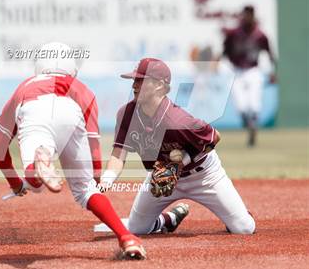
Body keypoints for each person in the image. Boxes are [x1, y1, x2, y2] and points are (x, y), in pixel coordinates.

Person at [0, 42, 146, 260]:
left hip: (35, 109)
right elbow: (93, 144)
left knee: (35, 183)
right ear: (71, 67)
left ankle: (38, 161)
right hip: (71, 112)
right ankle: (127, 238)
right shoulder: (82, 88)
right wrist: (96, 178)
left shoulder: (24, 87)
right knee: (85, 190)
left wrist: (15, 184)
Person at [98, 57, 256, 236]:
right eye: (134, 80)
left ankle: (238, 215)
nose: (134, 85)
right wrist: (107, 179)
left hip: (203, 176)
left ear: (159, 85)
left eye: (140, 80)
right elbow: (119, 153)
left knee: (244, 228)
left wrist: (180, 163)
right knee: (137, 229)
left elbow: (215, 137)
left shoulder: (178, 120)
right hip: (161, 176)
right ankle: (169, 219)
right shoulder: (127, 114)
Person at [222, 5, 277, 146]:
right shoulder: (234, 33)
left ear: (253, 17)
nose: (245, 18)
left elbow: (269, 53)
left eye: (248, 15)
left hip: (253, 70)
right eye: (244, 15)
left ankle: (253, 126)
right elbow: (225, 50)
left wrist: (271, 71)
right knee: (241, 105)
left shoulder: (260, 35)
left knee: (254, 103)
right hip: (237, 70)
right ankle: (249, 124)